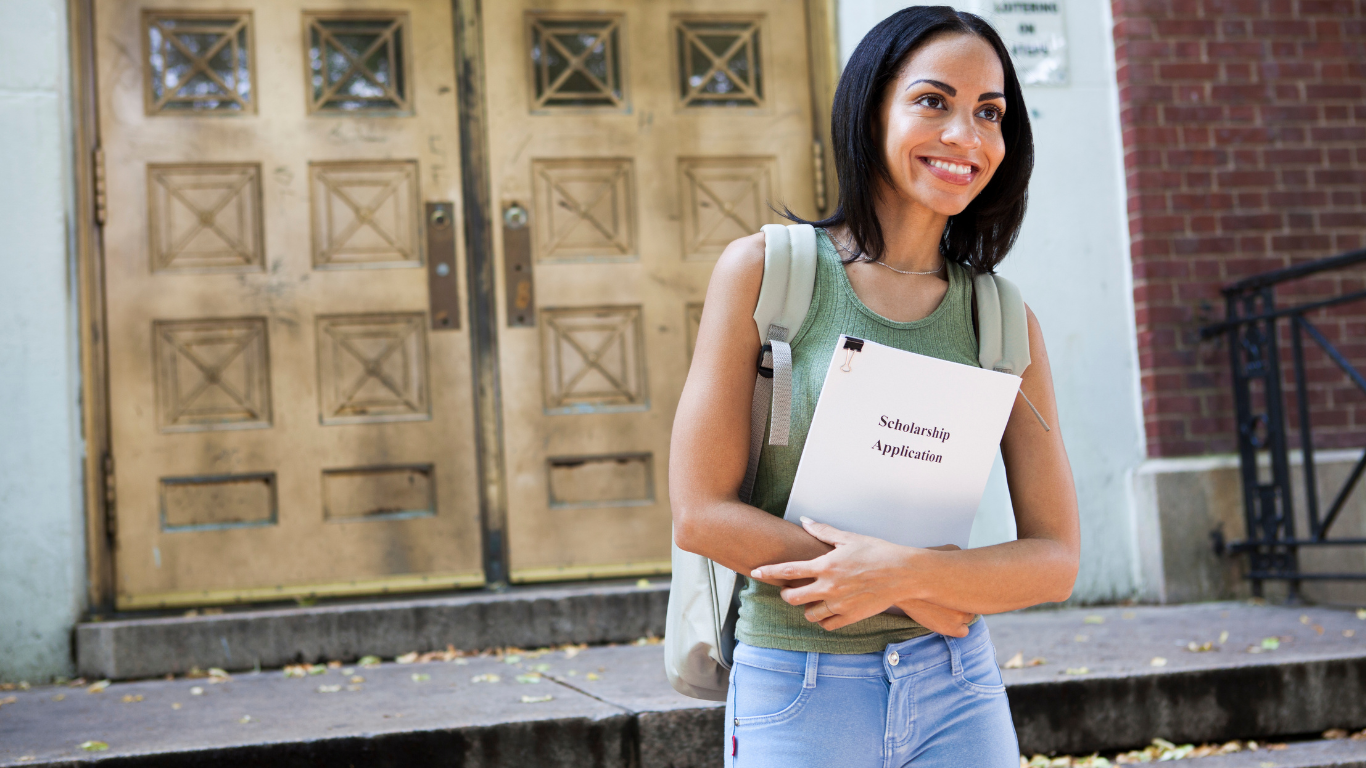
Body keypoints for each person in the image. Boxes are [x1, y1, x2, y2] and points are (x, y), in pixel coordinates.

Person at [668, 6, 1081, 767]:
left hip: (960, 691)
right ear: (870, 111)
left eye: (989, 113)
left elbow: (1055, 557)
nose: (965, 135)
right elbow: (700, 513)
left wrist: (905, 576)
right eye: (933, 102)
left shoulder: (1002, 317)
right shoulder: (768, 272)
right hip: (797, 688)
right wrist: (914, 594)